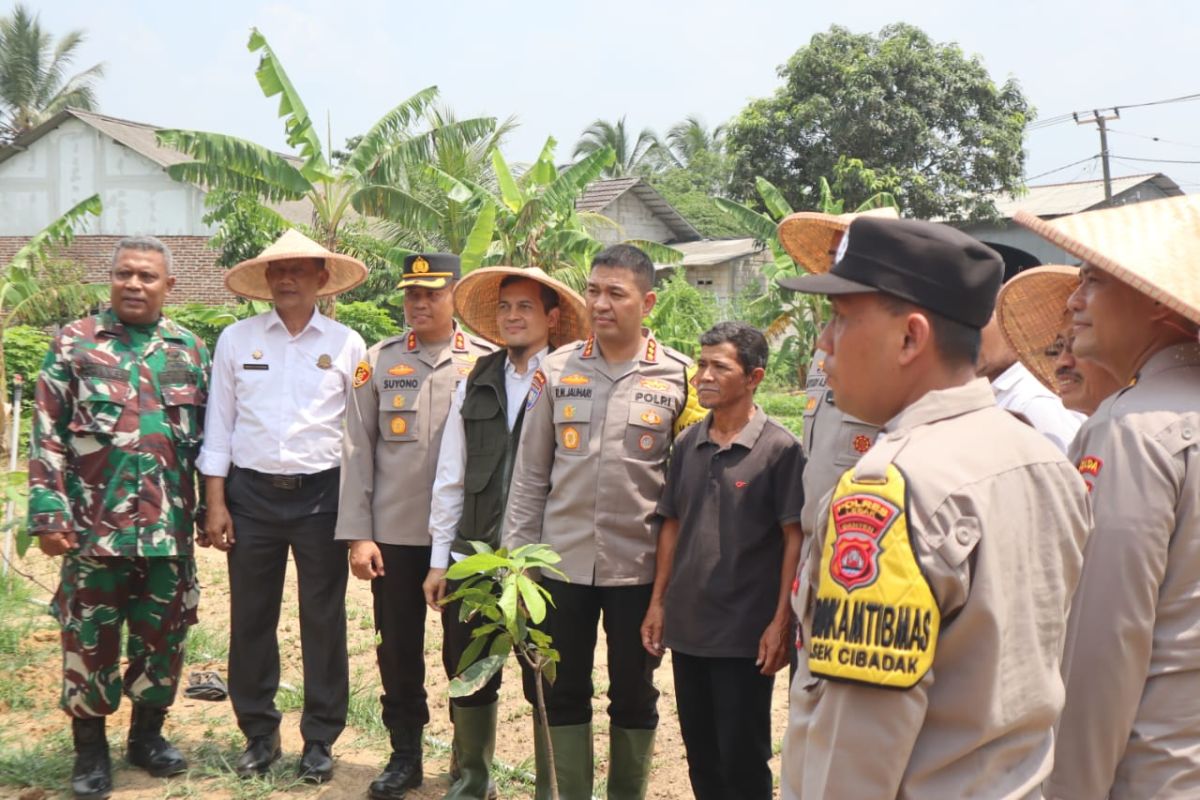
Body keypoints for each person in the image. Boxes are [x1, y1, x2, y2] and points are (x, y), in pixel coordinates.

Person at [779, 216, 1091, 798]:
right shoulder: (1041, 458)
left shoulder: (890, 486)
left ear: (910, 338)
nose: (824, 342)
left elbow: (856, 744)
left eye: (843, 319)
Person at [1013, 196, 1200, 798]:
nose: (1073, 302)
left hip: (1151, 772)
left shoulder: (1131, 429)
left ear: (1156, 301)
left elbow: (1102, 649)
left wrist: (1069, 790)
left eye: (1091, 280)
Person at [503, 243, 705, 799]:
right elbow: (529, 477)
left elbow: (690, 490)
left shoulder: (680, 378)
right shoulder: (555, 370)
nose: (601, 303)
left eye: (616, 293)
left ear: (648, 302)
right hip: (559, 565)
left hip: (638, 570)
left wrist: (676, 583)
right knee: (559, 688)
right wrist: (518, 567)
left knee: (635, 695)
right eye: (593, 290)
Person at [27, 236, 209, 799]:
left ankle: (147, 739)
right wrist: (48, 511)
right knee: (90, 640)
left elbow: (211, 442)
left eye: (147, 276)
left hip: (168, 532)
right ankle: (90, 753)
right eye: (124, 274)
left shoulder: (190, 349)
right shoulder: (75, 344)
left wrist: (210, 509)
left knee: (164, 640)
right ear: (109, 279)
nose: (134, 284)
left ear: (169, 286)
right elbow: (47, 432)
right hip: (92, 531)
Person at [198, 229, 368, 783]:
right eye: (277, 270)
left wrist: (359, 519)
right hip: (249, 498)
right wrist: (215, 503)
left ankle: (320, 738)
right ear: (265, 280)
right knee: (250, 617)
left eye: (299, 269)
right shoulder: (236, 340)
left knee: (322, 619)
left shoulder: (347, 344)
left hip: (322, 496)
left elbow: (359, 438)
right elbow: (218, 429)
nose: (287, 278)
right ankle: (258, 733)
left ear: (322, 279)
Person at [422, 266, 587, 800]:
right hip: (474, 551)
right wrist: (440, 557)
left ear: (553, 318)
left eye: (526, 308)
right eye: (505, 308)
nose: (513, 317)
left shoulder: (570, 377)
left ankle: (552, 789)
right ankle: (472, 781)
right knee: (468, 664)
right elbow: (453, 470)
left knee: (546, 674)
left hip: (544, 559)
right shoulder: (479, 377)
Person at [337, 253, 495, 800]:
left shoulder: (486, 362)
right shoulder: (377, 363)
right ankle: (404, 753)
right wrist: (359, 535)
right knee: (397, 649)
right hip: (395, 537)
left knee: (466, 649)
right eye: (411, 294)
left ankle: (467, 757)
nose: (419, 303)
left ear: (454, 297)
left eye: (431, 293)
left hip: (464, 538)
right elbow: (357, 451)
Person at [639, 321, 804, 800]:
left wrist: (780, 622)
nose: (703, 376)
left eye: (719, 366)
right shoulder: (689, 444)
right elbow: (671, 524)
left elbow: (793, 538)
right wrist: (659, 603)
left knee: (743, 755)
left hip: (744, 636)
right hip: (690, 629)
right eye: (701, 364)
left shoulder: (779, 450)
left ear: (753, 378)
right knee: (701, 754)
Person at [975, 247, 1084, 452]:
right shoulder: (993, 393)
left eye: (983, 312)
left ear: (1018, 322)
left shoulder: (1035, 404)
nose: (968, 327)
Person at [995, 264, 1123, 417]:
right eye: (1058, 347)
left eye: (1077, 344)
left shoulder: (1037, 406)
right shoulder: (1104, 430)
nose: (1062, 362)